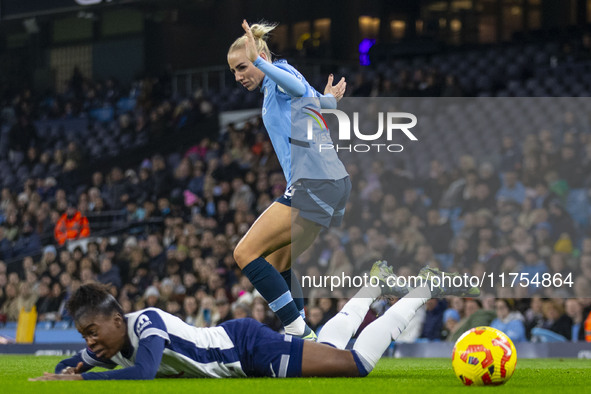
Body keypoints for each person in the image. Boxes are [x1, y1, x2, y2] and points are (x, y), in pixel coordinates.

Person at [30, 269, 479, 381]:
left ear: (116, 319)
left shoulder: (145, 324)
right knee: (326, 345)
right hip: (240, 344)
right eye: (85, 336)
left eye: (93, 332)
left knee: (357, 365)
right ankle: (373, 284)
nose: (90, 342)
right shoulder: (107, 343)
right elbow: (80, 361)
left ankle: (421, 288)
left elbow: (145, 372)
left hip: (248, 349)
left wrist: (82, 383)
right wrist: (70, 368)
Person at [227, 20, 349, 340]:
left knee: (245, 253)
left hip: (315, 181)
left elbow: (294, 87)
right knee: (278, 262)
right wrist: (330, 101)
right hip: (330, 181)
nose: (239, 76)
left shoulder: (279, 73)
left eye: (243, 66)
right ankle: (301, 339)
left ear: (260, 56)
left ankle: (298, 332)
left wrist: (262, 65)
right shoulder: (274, 84)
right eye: (235, 71)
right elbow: (312, 103)